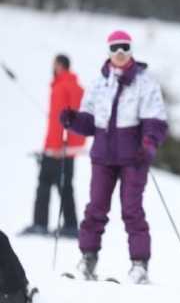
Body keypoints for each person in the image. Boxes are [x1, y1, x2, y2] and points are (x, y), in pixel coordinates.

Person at [60, 30, 168, 284]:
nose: (120, 54)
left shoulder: (145, 82)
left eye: (125, 48)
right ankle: (87, 259)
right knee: (95, 208)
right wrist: (73, 120)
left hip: (134, 157)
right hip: (103, 156)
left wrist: (148, 144)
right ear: (108, 51)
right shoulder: (99, 83)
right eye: (115, 49)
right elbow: (89, 123)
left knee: (132, 210)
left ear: (131, 50)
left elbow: (155, 120)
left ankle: (139, 265)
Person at [21, 54, 85, 238]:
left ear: (59, 65)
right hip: (71, 147)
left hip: (58, 148)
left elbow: (59, 120)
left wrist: (55, 147)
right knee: (65, 187)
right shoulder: (77, 88)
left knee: (44, 184)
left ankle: (40, 223)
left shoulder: (60, 87)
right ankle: (71, 225)